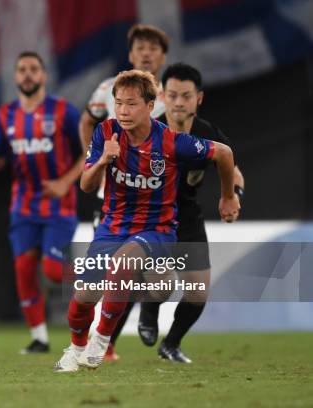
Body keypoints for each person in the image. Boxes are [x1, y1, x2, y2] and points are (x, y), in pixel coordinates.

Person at [53, 69, 239, 372]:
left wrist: (228, 195)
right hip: (112, 226)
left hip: (158, 229)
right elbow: (86, 186)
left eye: (131, 104)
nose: (123, 111)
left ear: (150, 106)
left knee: (123, 266)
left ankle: (100, 342)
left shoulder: (172, 142)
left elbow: (224, 153)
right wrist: (102, 160)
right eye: (119, 103)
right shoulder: (105, 132)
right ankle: (75, 348)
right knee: (83, 296)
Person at [0, 52, 84, 353]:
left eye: (33, 69)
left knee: (55, 271)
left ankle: (96, 288)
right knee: (24, 269)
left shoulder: (65, 112)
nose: (27, 74)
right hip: (23, 206)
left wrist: (65, 182)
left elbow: (89, 153)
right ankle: (39, 338)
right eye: (22, 69)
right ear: (16, 77)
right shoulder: (5, 116)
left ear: (43, 75)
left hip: (59, 206)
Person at [133, 63, 245, 363]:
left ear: (199, 98)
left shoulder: (207, 133)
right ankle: (149, 309)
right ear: (161, 96)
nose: (179, 102)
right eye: (172, 95)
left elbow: (233, 171)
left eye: (186, 95)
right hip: (151, 217)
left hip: (187, 216)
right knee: (164, 283)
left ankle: (171, 345)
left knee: (197, 293)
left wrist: (231, 197)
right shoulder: (144, 129)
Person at [79, 24, 170, 360]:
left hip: (159, 198)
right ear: (131, 54)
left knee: (154, 276)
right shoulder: (109, 89)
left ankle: (133, 324)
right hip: (115, 198)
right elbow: (87, 122)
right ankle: (106, 341)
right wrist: (94, 159)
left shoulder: (172, 93)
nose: (145, 53)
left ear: (163, 56)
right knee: (112, 272)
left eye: (152, 48)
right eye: (139, 48)